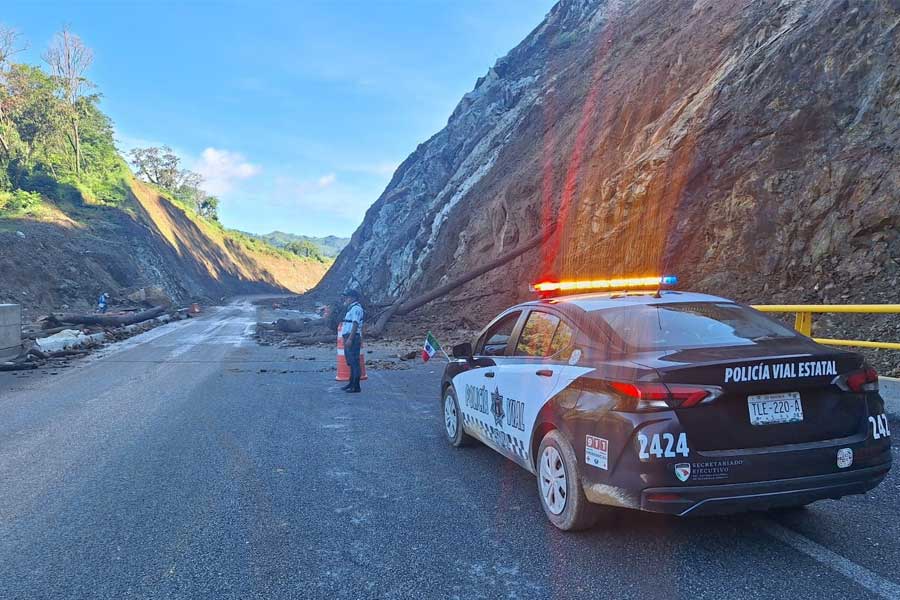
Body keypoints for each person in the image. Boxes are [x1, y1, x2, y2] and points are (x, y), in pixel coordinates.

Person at [339, 289, 365, 393]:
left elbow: (355, 323)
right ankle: (351, 383)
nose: (346, 299)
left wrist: (350, 338)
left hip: (352, 337)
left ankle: (356, 386)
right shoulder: (351, 308)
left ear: (353, 298)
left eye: (348, 297)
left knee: (354, 362)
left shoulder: (356, 309)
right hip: (348, 336)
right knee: (350, 362)